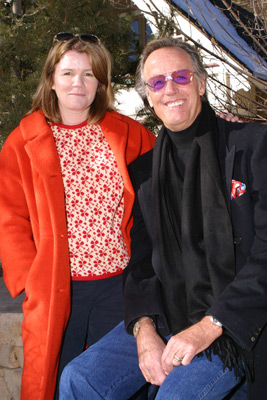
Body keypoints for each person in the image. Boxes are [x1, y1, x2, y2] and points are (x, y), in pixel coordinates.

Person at [59, 37, 267, 400]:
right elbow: (141, 263)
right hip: (168, 317)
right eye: (157, 82)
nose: (169, 88)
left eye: (181, 77)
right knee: (79, 379)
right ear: (149, 97)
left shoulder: (253, 145)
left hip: (231, 325)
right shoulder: (146, 173)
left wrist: (209, 326)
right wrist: (144, 330)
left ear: (201, 83)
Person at [0, 33, 155, 400]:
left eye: (89, 74)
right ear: (51, 79)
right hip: (57, 287)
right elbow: (9, 217)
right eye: (68, 73)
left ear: (100, 82)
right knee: (54, 382)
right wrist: (29, 276)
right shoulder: (24, 141)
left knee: (112, 384)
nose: (78, 83)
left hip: (117, 285)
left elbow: (170, 172)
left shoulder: (129, 134)